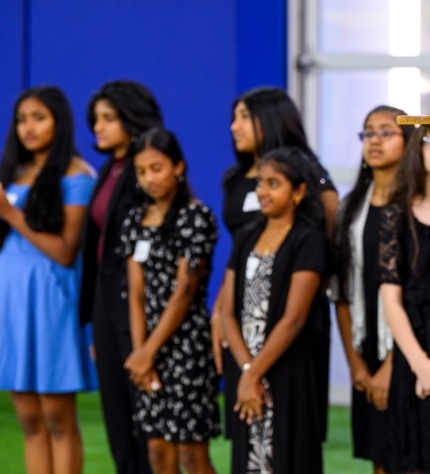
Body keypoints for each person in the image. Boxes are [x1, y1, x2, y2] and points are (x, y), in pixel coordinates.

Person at [0, 85, 97, 473]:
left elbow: (66, 250)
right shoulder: (14, 173)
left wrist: (11, 214)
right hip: (9, 298)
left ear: (59, 122)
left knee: (56, 417)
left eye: (38, 117)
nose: (28, 127)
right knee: (28, 418)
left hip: (49, 299)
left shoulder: (77, 174)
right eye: (21, 119)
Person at [216, 86, 338, 442]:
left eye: (243, 117)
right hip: (241, 314)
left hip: (293, 319)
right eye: (233, 118)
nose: (234, 127)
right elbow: (237, 252)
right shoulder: (236, 179)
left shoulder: (311, 176)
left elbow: (328, 249)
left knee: (290, 429)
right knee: (247, 424)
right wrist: (221, 314)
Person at [219, 148, 328, 473]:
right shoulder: (246, 236)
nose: (263, 192)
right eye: (260, 183)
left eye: (273, 183)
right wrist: (246, 371)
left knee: (286, 457)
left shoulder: (308, 240)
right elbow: (226, 312)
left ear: (298, 191)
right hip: (246, 365)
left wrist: (253, 374)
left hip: (286, 369)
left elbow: (294, 319)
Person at [119, 128, 220, 473]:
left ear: (179, 166)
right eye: (142, 171)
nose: (150, 178)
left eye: (157, 168)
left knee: (190, 454)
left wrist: (149, 351)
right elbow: (135, 291)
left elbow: (184, 292)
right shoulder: (134, 219)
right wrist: (140, 353)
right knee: (157, 453)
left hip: (186, 347)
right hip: (146, 351)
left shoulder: (196, 216)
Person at [83, 80, 163, 474]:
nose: (98, 126)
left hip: (138, 304)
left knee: (146, 422)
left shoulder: (144, 169)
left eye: (108, 118)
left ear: (133, 119)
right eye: (96, 119)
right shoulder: (109, 169)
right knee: (117, 418)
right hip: (105, 301)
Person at [332, 105, 412, 473]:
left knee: (409, 457)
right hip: (366, 352)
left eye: (385, 131)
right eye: (368, 132)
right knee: (378, 459)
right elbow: (342, 290)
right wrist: (355, 364)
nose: (374, 140)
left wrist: (392, 367)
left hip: (410, 352)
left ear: (407, 141)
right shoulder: (350, 208)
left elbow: (417, 293)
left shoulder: (417, 207)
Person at [379, 124, 430, 474]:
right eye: (429, 140)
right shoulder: (395, 215)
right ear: (416, 149)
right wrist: (422, 365)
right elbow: (390, 297)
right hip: (412, 348)